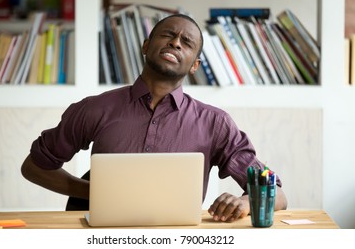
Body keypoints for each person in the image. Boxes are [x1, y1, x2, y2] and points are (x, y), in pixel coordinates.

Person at [21, 13, 287, 223]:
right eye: (169, 35)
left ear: (194, 65)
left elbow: (277, 194)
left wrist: (244, 203)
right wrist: (93, 192)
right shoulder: (94, 109)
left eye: (187, 43)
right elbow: (33, 167)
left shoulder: (215, 123)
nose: (175, 42)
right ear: (146, 46)